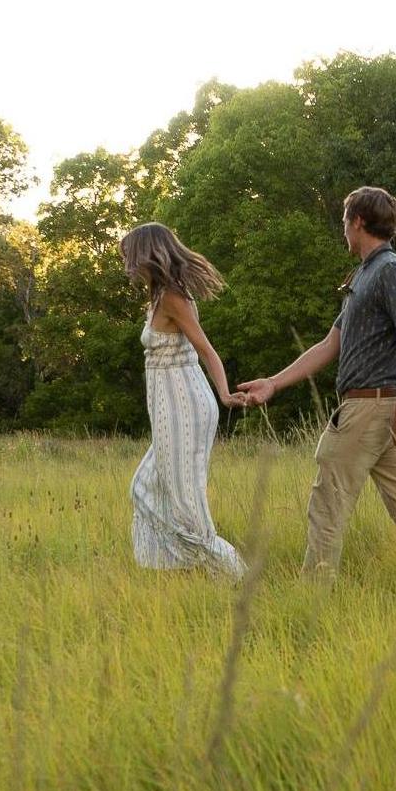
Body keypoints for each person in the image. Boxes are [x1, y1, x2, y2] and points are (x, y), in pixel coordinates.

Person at [238, 186, 396, 572]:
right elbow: (329, 344)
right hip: (377, 411)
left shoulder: (390, 270)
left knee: (327, 506)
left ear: (359, 222)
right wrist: (273, 383)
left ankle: (311, 601)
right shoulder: (365, 275)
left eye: (344, 221)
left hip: (371, 408)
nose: (342, 230)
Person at [120, 222, 247, 579]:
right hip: (170, 407)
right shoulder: (159, 295)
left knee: (184, 499)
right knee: (145, 486)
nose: (127, 265)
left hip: (184, 406)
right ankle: (181, 570)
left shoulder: (174, 297)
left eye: (130, 256)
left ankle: (232, 574)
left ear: (148, 254)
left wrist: (224, 394)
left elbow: (206, 349)